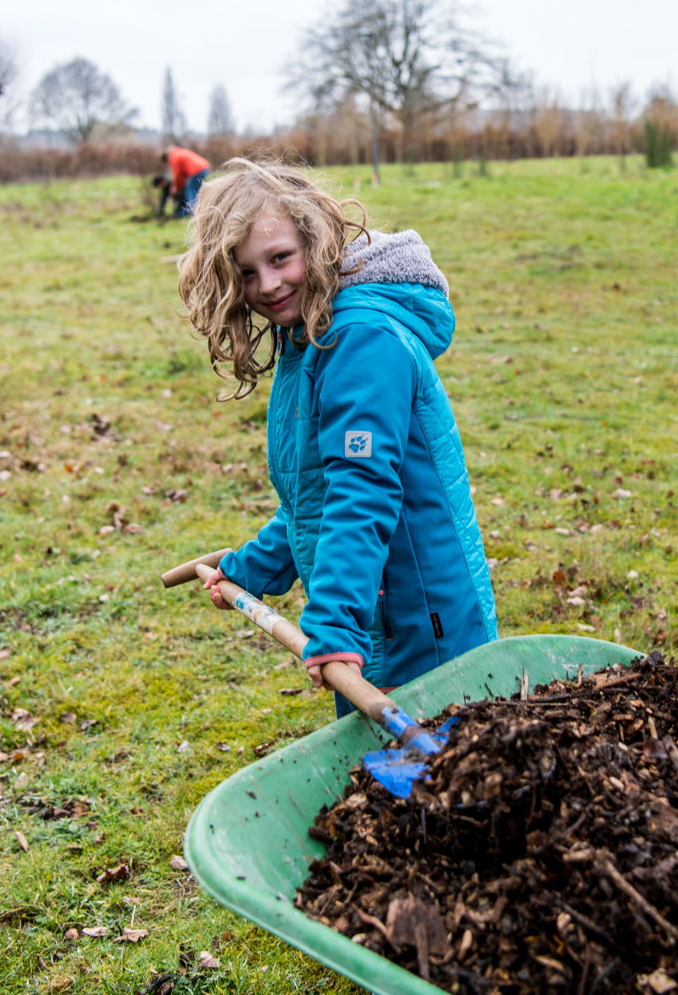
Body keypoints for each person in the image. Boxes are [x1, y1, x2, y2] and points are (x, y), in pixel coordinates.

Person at [176, 158, 499, 716]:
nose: (268, 285)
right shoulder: (307, 336)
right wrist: (254, 568)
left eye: (280, 259)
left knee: (419, 783)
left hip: (418, 616)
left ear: (317, 239)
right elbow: (317, 497)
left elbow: (361, 492)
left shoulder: (359, 341)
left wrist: (334, 623)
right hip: (372, 602)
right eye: (247, 272)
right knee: (392, 786)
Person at [157, 146, 212, 217]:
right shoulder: (178, 152)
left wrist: (175, 187)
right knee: (198, 192)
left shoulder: (173, 157)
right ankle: (201, 211)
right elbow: (182, 174)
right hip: (205, 167)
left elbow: (177, 175)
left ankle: (194, 213)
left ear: (166, 158)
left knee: (190, 191)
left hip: (197, 171)